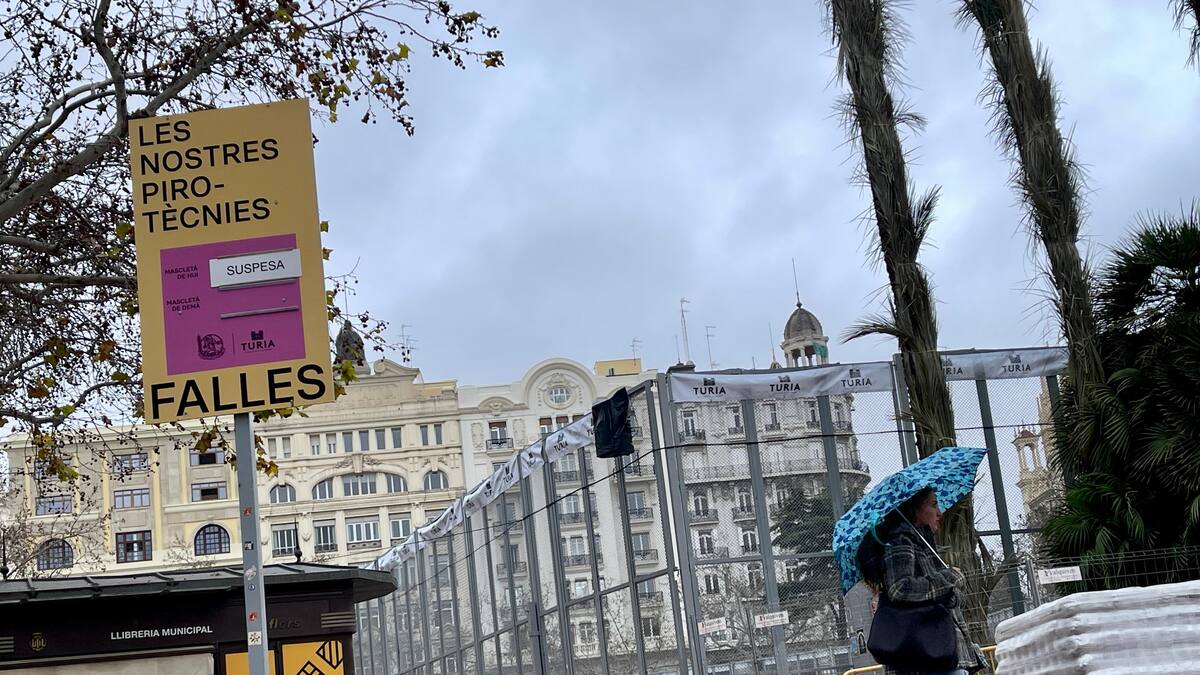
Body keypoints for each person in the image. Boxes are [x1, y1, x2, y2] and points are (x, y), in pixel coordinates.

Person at [857, 487, 989, 675]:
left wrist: (950, 591)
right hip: (925, 658)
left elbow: (934, 595)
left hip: (937, 655)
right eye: (933, 505)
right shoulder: (901, 542)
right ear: (915, 509)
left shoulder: (923, 545)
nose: (939, 513)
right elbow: (900, 589)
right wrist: (950, 576)